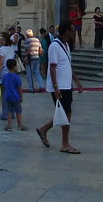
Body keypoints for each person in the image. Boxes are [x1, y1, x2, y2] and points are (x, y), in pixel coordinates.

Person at [36, 21, 83, 154]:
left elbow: (67, 64)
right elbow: (52, 67)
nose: (74, 33)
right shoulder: (54, 46)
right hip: (60, 86)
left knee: (65, 113)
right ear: (66, 31)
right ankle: (64, 143)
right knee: (66, 113)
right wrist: (56, 87)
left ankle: (43, 129)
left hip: (67, 85)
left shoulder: (66, 45)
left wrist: (77, 80)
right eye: (72, 30)